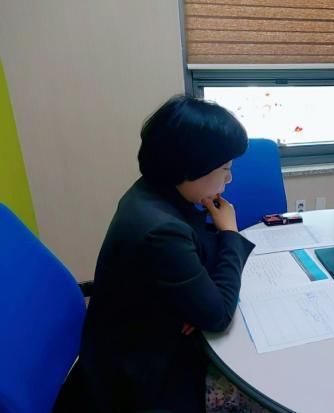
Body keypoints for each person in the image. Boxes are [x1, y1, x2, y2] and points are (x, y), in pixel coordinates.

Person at [56, 96, 258, 412]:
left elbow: (195, 264)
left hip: (129, 338)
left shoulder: (151, 191)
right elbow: (217, 315)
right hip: (143, 378)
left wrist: (194, 301)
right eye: (225, 169)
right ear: (192, 167)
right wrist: (230, 233)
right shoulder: (161, 229)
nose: (229, 178)